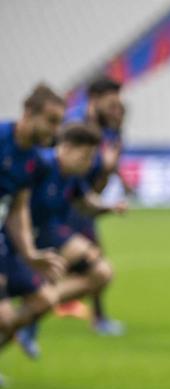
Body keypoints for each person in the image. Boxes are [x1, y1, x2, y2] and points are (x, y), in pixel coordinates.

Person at [14, 123, 126, 358]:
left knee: (102, 273)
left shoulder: (72, 174)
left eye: (91, 157)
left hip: (49, 232)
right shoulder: (41, 165)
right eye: (85, 156)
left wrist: (110, 206)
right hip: (20, 238)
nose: (88, 163)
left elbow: (85, 200)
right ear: (64, 148)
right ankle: (29, 314)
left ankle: (30, 314)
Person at [0, 84, 68, 382]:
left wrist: (29, 252)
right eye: (52, 120)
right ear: (29, 113)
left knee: (44, 299)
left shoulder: (36, 161)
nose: (56, 130)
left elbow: (18, 208)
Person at [63, 75, 127, 336]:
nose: (115, 109)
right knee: (89, 262)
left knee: (89, 261)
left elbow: (99, 180)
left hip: (80, 200)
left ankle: (97, 317)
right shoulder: (73, 125)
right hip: (62, 200)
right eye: (111, 103)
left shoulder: (110, 128)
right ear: (94, 99)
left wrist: (111, 170)